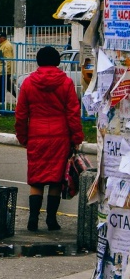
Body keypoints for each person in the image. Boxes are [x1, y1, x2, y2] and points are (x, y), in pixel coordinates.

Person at [15, 46, 84, 231]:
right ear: (57, 61)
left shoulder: (28, 83)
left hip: (36, 136)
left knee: (36, 179)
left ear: (38, 61)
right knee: (55, 179)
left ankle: (33, 219)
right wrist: (76, 137)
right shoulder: (66, 83)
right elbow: (73, 113)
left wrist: (23, 137)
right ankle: (51, 220)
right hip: (60, 137)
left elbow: (21, 114)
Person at [0, 31, 15, 105]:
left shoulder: (6, 46)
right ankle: (0, 100)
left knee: (6, 86)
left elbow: (8, 59)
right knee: (5, 85)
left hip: (4, 70)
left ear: (3, 38)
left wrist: (6, 70)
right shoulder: (3, 45)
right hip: (2, 69)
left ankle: (1, 101)